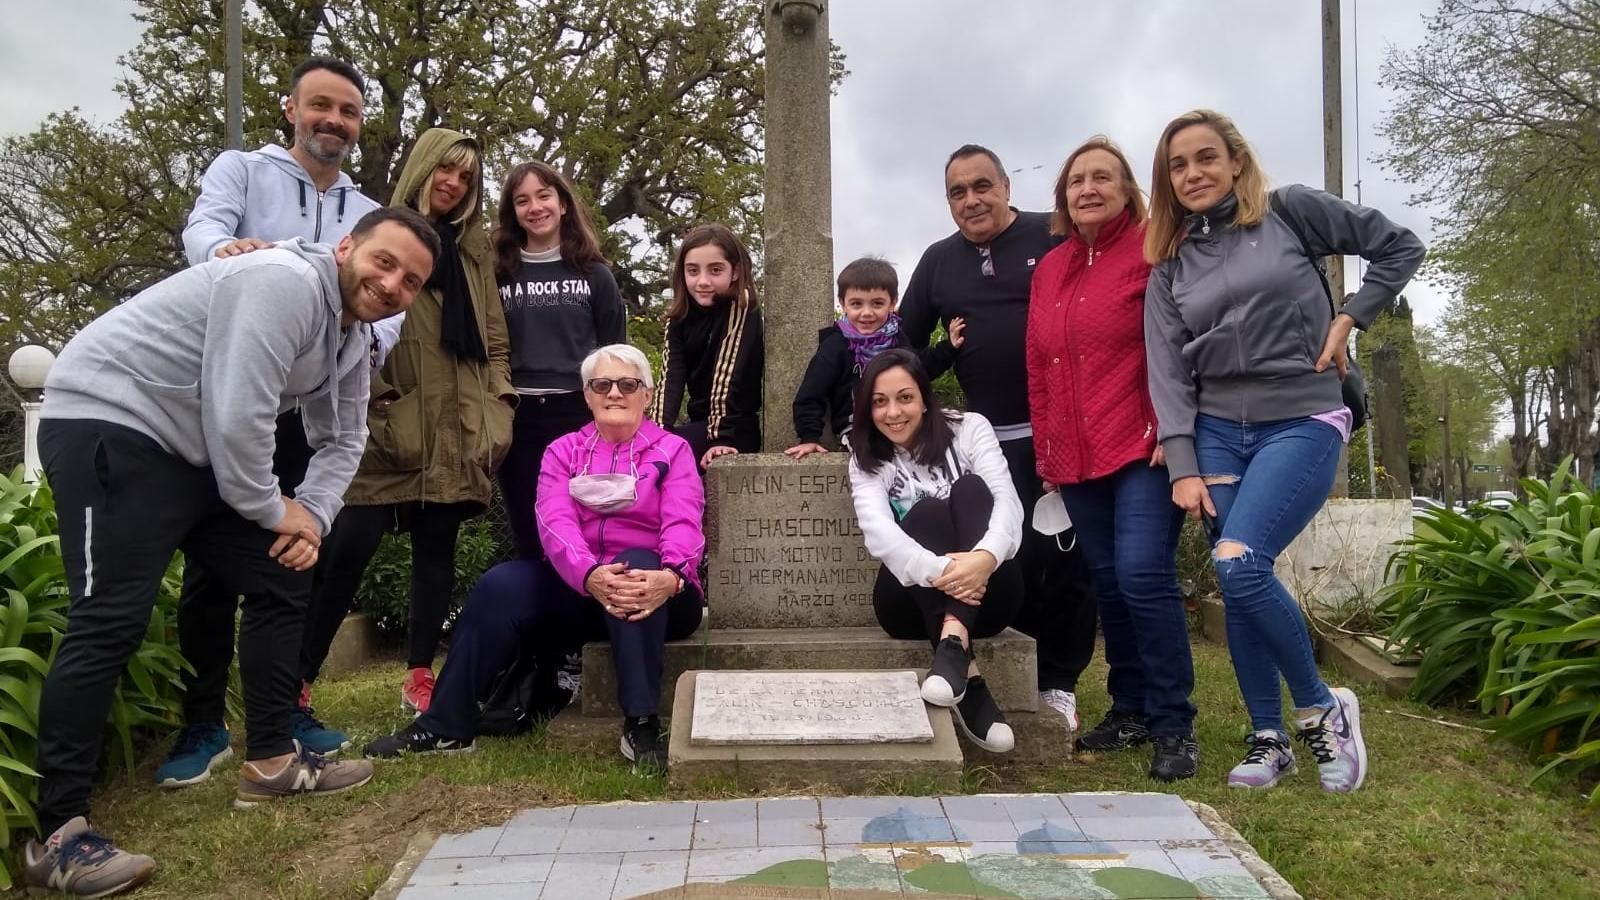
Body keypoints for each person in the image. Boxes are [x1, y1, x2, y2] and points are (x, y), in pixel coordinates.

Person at [24, 207, 440, 896]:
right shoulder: (283, 282)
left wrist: (310, 518)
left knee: (281, 573)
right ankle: (60, 837)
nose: (393, 283)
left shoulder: (349, 336)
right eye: (385, 262)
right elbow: (236, 410)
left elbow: (344, 438)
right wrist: (276, 509)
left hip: (193, 453)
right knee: (111, 619)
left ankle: (272, 762)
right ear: (347, 246)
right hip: (111, 421)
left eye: (412, 280)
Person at [1143, 108, 1425, 792]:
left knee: (1241, 566)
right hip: (1215, 430)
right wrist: (1181, 462)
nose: (1193, 174)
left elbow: (1401, 246)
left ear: (1236, 161)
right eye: (1178, 165)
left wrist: (1352, 314)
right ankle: (1268, 736)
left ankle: (1323, 710)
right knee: (1237, 587)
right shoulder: (1171, 264)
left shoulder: (1291, 212)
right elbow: (1169, 371)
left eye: (1205, 157)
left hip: (1302, 413)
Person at [163, 56, 384, 784]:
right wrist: (228, 255)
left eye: (348, 112)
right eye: (321, 106)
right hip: (229, 393)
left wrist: (360, 341)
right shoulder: (242, 170)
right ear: (292, 108)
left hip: (313, 404)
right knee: (212, 569)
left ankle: (281, 711)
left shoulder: (365, 211)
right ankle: (201, 722)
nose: (334, 122)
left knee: (297, 552)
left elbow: (388, 306)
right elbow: (203, 234)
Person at [364, 344, 704, 773]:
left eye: (627, 384)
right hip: (584, 586)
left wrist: (671, 576)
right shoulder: (562, 452)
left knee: (637, 561)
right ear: (587, 395)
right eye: (602, 384)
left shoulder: (673, 451)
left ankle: (640, 723)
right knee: (502, 583)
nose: (614, 393)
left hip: (663, 593)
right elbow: (554, 525)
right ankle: (445, 725)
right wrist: (590, 575)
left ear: (647, 394)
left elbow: (684, 521)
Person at [296, 128, 516, 717]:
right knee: (346, 550)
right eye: (445, 169)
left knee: (436, 551)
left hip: (457, 425)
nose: (453, 183)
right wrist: (370, 395)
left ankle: (420, 674)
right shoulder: (384, 235)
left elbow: (495, 341)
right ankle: (298, 679)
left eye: (466, 177)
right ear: (422, 167)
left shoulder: (472, 255)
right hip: (385, 421)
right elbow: (349, 317)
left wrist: (499, 407)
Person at [901, 144, 1097, 732]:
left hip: (1061, 431)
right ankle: (1013, 671)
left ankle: (1059, 683)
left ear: (1007, 187)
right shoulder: (938, 262)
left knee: (1066, 560)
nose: (972, 200)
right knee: (1009, 557)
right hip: (986, 443)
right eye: (958, 192)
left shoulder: (1054, 235)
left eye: (981, 186)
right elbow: (903, 353)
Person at [1027, 136, 1197, 782]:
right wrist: (1048, 448)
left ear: (1128, 189)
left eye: (1103, 178)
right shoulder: (1051, 269)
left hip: (1144, 446)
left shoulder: (1156, 250)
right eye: (1077, 181)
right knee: (1110, 583)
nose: (1089, 189)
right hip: (1077, 457)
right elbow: (1038, 365)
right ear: (1064, 198)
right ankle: (1128, 708)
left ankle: (1173, 721)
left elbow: (1184, 344)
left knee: (1142, 574)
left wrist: (1174, 428)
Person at [847, 350, 1024, 753]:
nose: (893, 412)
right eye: (879, 401)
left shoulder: (970, 429)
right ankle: (964, 666)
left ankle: (955, 650)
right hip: (906, 605)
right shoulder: (866, 455)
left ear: (925, 398)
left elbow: (1008, 504)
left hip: (992, 591)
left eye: (905, 398)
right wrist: (950, 571)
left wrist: (984, 559)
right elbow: (879, 535)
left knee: (972, 490)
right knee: (925, 514)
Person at [494, 161, 627, 558]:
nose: (535, 207)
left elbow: (613, 356)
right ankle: (537, 618)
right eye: (522, 200)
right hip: (518, 414)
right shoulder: (498, 273)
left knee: (583, 527)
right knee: (529, 528)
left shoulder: (594, 274)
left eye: (543, 195)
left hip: (577, 414)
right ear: (512, 212)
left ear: (563, 203)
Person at [785, 257, 963, 458]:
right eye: (856, 304)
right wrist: (809, 437)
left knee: (951, 433)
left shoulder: (896, 338)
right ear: (843, 303)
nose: (866, 313)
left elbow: (919, 368)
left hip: (899, 418)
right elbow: (811, 392)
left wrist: (949, 347)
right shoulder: (836, 345)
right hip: (858, 425)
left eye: (877, 303)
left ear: (892, 302)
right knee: (883, 453)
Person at [647, 224, 764, 469]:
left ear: (735, 272)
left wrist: (720, 437)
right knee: (649, 456)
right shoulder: (678, 319)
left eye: (715, 270)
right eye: (693, 271)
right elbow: (670, 380)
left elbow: (727, 373)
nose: (702, 281)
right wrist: (655, 435)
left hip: (734, 427)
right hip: (699, 422)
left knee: (667, 461)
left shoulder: (740, 306)